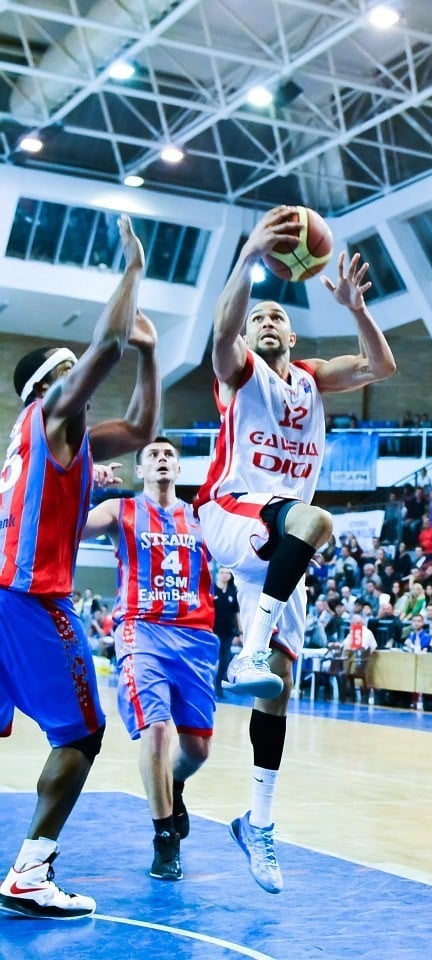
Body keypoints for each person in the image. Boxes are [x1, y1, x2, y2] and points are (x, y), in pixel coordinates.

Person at [193, 205, 395, 894]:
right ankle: (245, 648)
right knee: (312, 520)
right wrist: (249, 251)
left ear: (295, 331)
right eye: (260, 317)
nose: (268, 320)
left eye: (279, 314)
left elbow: (381, 365)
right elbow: (222, 330)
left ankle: (259, 823)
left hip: (280, 548)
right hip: (230, 510)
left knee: (276, 694)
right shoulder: (238, 371)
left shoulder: (310, 378)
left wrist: (358, 307)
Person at [0, 216, 159, 920]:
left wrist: (151, 358)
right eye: (71, 371)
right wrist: (132, 269)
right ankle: (32, 871)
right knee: (81, 734)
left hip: (5, 593)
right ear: (48, 386)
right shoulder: (53, 416)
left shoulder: (62, 440)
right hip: (30, 600)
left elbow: (144, 427)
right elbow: (109, 343)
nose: (83, 378)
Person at [82, 437, 217, 881]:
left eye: (169, 456)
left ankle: (174, 785)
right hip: (143, 630)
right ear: (140, 471)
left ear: (179, 469)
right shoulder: (120, 510)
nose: (162, 460)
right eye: (153, 456)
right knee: (156, 729)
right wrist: (86, 480)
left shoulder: (202, 517)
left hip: (196, 636)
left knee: (196, 751)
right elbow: (71, 526)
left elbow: (247, 550)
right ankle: (164, 838)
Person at [213, 566, 242, 698]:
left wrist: (240, 632)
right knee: (211, 659)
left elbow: (236, 613)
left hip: (228, 632)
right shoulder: (212, 590)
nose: (225, 575)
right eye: (222, 572)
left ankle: (218, 686)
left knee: (224, 660)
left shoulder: (232, 591)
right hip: (213, 631)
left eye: (227, 573)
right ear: (218, 574)